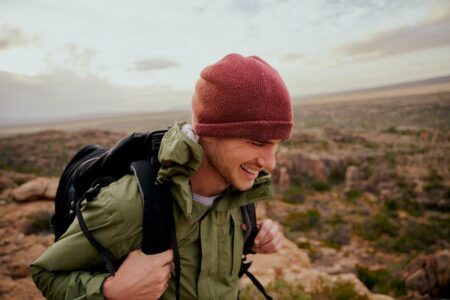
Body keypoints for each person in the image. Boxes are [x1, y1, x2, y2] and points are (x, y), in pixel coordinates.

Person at [30, 53, 293, 300]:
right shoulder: (127, 205)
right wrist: (111, 291)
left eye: (276, 144)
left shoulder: (240, 192)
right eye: (256, 143)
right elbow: (47, 274)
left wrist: (254, 240)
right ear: (210, 131)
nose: (270, 164)